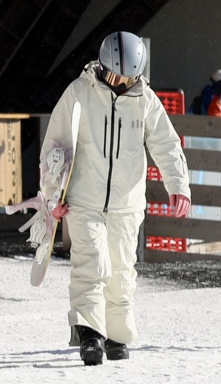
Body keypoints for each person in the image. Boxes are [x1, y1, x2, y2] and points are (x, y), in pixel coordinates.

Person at [44, 32, 191, 365]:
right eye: (116, 75)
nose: (123, 82)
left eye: (130, 77)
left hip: (127, 203)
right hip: (84, 199)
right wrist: (54, 195)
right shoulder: (80, 93)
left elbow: (166, 145)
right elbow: (56, 146)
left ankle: (116, 336)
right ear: (103, 66)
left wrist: (178, 185)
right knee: (91, 265)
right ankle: (90, 335)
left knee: (122, 270)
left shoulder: (145, 99)